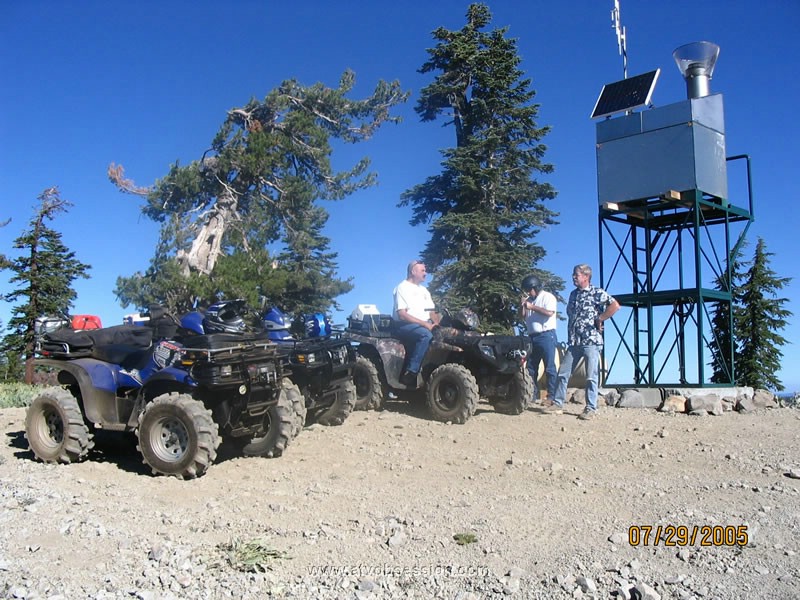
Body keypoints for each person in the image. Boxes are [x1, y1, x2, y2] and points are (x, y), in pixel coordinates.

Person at [550, 264, 620, 420]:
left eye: (577, 274)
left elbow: (615, 305)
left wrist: (600, 318)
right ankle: (558, 403)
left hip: (591, 341)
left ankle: (590, 408)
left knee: (591, 376)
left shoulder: (596, 292)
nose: (573, 277)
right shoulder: (573, 294)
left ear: (586, 276)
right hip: (574, 342)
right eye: (573, 274)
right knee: (563, 372)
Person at [393, 259, 440, 387]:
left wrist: (436, 323)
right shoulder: (402, 288)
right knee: (425, 335)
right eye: (423, 270)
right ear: (413, 271)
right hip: (404, 326)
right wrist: (425, 324)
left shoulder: (424, 291)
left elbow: (432, 312)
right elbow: (402, 314)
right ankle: (411, 372)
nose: (426, 273)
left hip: (424, 325)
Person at [518, 275, 558, 406]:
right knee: (531, 367)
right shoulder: (529, 300)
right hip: (532, 336)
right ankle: (533, 395)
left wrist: (532, 307)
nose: (528, 293)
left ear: (535, 287)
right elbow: (522, 317)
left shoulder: (547, 297)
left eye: (530, 290)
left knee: (550, 367)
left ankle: (552, 396)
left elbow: (549, 313)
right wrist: (523, 306)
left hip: (546, 335)